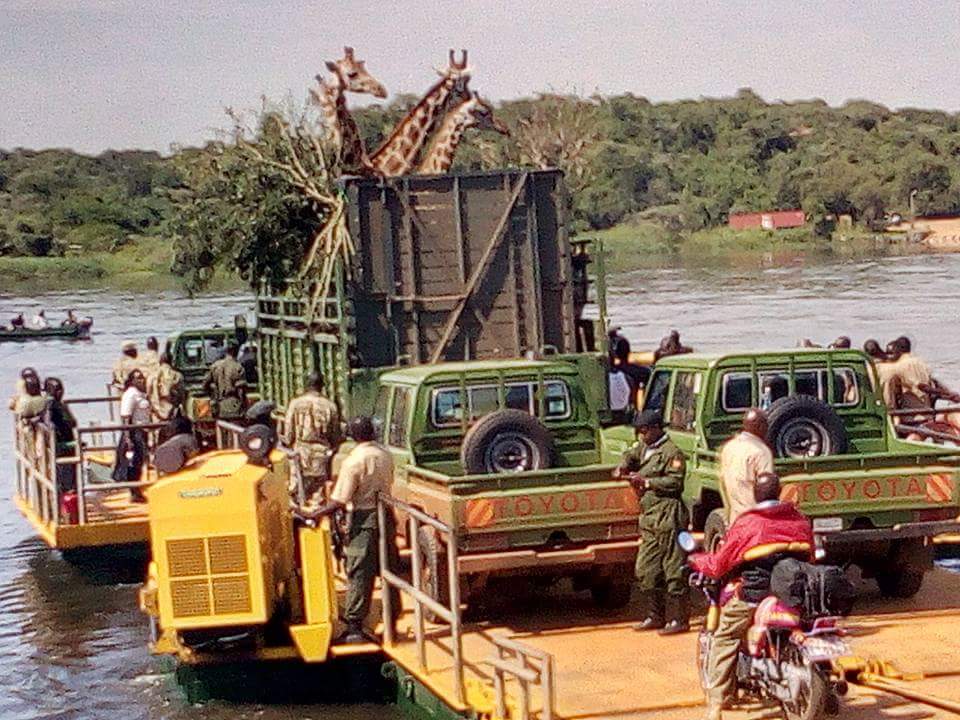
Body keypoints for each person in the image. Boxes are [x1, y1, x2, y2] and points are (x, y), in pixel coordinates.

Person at [690, 473, 814, 720]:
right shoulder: (799, 520)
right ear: (778, 493)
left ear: (755, 494)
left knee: (725, 637)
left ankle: (716, 705)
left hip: (754, 596)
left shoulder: (749, 524)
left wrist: (697, 560)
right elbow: (810, 556)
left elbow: (720, 563)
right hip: (794, 596)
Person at [303, 416, 400, 643]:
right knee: (389, 569)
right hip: (386, 516)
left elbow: (340, 499)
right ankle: (392, 621)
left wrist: (313, 514)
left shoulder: (354, 461)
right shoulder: (385, 454)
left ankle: (355, 626)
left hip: (364, 519)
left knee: (359, 570)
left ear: (353, 436)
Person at [616, 409, 690, 635]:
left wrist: (647, 482)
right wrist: (623, 466)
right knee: (646, 568)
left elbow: (675, 483)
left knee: (673, 567)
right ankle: (654, 615)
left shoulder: (671, 453)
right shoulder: (645, 448)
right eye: (639, 431)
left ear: (657, 429)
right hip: (648, 516)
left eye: (645, 431)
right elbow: (631, 455)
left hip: (668, 514)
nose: (641, 435)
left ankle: (678, 619)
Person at [281, 373, 342, 500]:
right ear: (322, 386)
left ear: (306, 385)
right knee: (318, 495)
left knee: (297, 492)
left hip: (300, 453)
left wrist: (289, 443)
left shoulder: (295, 404)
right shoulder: (330, 406)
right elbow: (335, 436)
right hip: (321, 455)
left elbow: (288, 433)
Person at [718, 409, 774, 523]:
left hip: (735, 518)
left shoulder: (729, 447)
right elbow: (767, 490)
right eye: (765, 424)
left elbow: (723, 480)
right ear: (760, 426)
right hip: (755, 519)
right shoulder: (761, 452)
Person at [113, 369, 152, 501]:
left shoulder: (141, 394)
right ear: (132, 381)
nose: (141, 380)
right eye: (137, 378)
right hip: (135, 432)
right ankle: (134, 492)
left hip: (143, 431)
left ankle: (137, 490)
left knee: (140, 461)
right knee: (133, 462)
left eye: (142, 377)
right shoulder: (130, 394)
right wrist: (128, 437)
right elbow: (126, 417)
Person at [43, 378, 78, 492]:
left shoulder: (60, 403)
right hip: (61, 442)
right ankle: (67, 492)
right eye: (57, 389)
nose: (60, 391)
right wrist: (51, 426)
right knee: (64, 470)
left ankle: (70, 490)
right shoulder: (50, 402)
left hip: (67, 440)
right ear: (49, 390)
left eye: (61, 388)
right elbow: (47, 418)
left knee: (69, 469)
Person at [203, 342, 246, 420]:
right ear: (236, 352)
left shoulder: (215, 366)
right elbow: (241, 390)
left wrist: (213, 396)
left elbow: (205, 384)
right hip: (234, 404)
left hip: (219, 404)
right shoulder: (238, 367)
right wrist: (243, 405)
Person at [147, 352, 185, 422]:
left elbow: (148, 395)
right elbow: (182, 396)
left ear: (160, 361)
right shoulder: (177, 376)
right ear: (171, 362)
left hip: (156, 414)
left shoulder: (151, 376)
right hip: (173, 415)